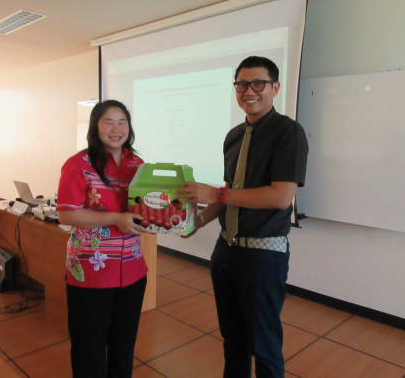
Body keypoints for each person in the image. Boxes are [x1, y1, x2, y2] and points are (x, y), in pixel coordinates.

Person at [175, 56, 308, 378]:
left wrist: (216, 194)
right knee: (233, 341)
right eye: (242, 84)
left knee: (264, 345)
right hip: (226, 251)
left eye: (258, 83)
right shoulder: (234, 135)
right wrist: (197, 222)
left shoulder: (288, 132)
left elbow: (281, 197)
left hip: (263, 255)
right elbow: (230, 191)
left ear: (275, 87)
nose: (249, 91)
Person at [56, 100, 147, 378]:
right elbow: (66, 214)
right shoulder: (78, 164)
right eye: (108, 122)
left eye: (122, 122)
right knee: (89, 347)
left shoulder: (138, 165)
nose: (116, 129)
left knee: (124, 345)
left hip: (132, 270)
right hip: (91, 272)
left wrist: (157, 218)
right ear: (95, 127)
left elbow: (144, 209)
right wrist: (115, 219)